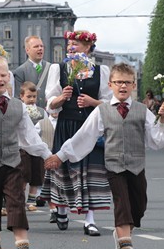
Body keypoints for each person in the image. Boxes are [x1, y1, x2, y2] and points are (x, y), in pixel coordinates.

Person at [45, 63, 164, 249]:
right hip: (114, 166)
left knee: (138, 208)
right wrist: (60, 156)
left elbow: (158, 141)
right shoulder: (101, 111)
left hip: (137, 166)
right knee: (122, 205)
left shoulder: (141, 110)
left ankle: (123, 232)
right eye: (119, 82)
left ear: (133, 85)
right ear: (110, 84)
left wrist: (162, 121)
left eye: (127, 83)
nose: (123, 87)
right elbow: (84, 137)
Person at [0, 59, 51, 249]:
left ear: (9, 77)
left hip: (12, 161)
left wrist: (48, 155)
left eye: (3, 75)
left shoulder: (18, 106)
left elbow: (29, 137)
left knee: (16, 202)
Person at [41, 30, 112, 235]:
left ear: (88, 48)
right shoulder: (59, 68)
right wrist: (62, 98)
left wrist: (92, 102)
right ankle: (61, 208)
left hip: (90, 127)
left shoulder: (101, 71)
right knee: (65, 169)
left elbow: (108, 103)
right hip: (67, 124)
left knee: (88, 172)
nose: (71, 47)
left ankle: (90, 219)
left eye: (76, 44)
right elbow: (50, 105)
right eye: (70, 43)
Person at [18, 81, 47, 211]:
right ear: (22, 96)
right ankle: (20, 198)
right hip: (23, 147)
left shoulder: (41, 111)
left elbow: (46, 125)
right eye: (28, 96)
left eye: (34, 96)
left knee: (37, 173)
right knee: (24, 173)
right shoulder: (19, 109)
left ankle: (31, 199)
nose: (31, 99)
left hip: (37, 146)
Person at [12, 35, 51, 108]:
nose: (40, 49)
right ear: (27, 50)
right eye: (36, 46)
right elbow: (18, 97)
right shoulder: (20, 71)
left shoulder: (51, 68)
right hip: (30, 115)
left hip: (50, 114)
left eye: (41, 46)